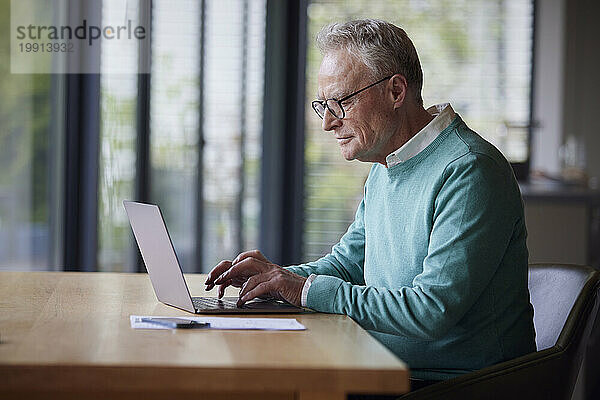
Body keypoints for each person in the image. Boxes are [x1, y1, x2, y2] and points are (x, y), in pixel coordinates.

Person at [204, 19, 536, 385]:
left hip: (456, 385)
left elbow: (431, 310)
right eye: (323, 105)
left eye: (341, 102)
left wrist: (303, 290)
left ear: (395, 91)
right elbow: (348, 263)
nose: (328, 123)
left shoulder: (470, 170)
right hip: (381, 367)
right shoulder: (385, 167)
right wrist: (277, 279)